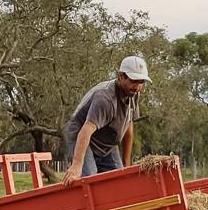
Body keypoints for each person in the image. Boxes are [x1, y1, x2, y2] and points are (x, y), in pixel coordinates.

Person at [61, 56, 150, 185]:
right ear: (121, 76)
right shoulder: (105, 98)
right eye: (133, 81)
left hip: (106, 143)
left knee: (120, 180)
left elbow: (128, 126)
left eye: (141, 82)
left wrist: (126, 164)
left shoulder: (134, 95)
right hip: (82, 136)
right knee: (90, 179)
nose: (137, 86)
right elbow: (86, 130)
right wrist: (77, 165)